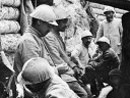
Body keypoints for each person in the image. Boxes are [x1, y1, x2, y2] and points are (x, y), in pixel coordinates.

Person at [14, 4, 58, 98]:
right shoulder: (29, 42)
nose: (50, 30)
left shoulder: (37, 39)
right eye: (48, 26)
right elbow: (34, 77)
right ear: (39, 22)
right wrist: (56, 70)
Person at [44, 6, 89, 98]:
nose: (67, 24)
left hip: (66, 73)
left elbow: (64, 56)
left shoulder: (58, 36)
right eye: (64, 21)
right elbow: (57, 60)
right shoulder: (49, 37)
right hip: (60, 76)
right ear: (56, 22)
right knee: (84, 95)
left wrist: (75, 67)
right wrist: (72, 71)